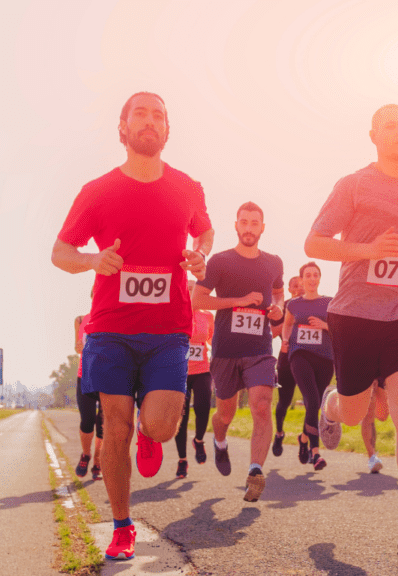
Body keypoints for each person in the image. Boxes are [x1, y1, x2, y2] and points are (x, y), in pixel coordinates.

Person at [52, 91, 213, 561]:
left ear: (167, 130)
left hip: (168, 329)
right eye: (139, 114)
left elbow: (203, 229)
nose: (149, 121)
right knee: (114, 430)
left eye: (158, 114)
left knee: (160, 427)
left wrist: (199, 252)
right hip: (111, 330)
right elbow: (60, 252)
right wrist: (92, 260)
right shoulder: (97, 190)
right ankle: (122, 527)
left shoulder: (186, 186)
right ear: (122, 129)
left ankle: (152, 431)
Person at [305, 104, 398, 552]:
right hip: (354, 314)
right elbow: (315, 242)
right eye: (391, 125)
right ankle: (329, 410)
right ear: (373, 135)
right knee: (354, 412)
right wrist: (368, 250)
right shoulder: (353, 185)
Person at [193, 202, 284, 502]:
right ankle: (219, 440)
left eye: (254, 223)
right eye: (244, 222)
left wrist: (277, 309)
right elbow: (197, 300)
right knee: (226, 413)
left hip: (259, 348)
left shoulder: (273, 263)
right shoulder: (220, 261)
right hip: (226, 350)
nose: (249, 228)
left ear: (262, 228)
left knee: (261, 404)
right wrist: (239, 300)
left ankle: (255, 471)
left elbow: (279, 292)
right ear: (236, 225)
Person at [280, 262, 334, 471]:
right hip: (299, 354)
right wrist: (285, 340)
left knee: (315, 405)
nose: (311, 279)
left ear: (319, 278)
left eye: (315, 275)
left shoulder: (329, 303)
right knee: (311, 400)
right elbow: (287, 324)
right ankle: (315, 452)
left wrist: (325, 326)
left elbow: (340, 328)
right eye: (307, 275)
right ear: (302, 280)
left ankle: (303, 438)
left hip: (324, 357)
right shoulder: (293, 304)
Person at [173, 280, 214, 478]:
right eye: (186, 289)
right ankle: (182, 460)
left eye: (193, 289)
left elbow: (213, 341)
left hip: (203, 369)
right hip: (179, 371)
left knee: (203, 406)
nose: (190, 292)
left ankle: (198, 440)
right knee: (181, 416)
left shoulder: (207, 316)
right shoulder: (174, 312)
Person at [271, 275, 303, 457]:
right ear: (290, 289)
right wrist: (289, 321)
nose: (299, 288)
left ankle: (307, 439)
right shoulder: (283, 307)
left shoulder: (313, 305)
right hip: (287, 357)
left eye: (302, 285)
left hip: (308, 358)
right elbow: (273, 332)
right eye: (295, 286)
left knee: (312, 399)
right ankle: (279, 433)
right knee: (284, 401)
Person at [74, 308, 103, 481]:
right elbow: (78, 346)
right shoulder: (80, 319)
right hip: (85, 375)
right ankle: (86, 454)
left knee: (103, 422)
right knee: (87, 420)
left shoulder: (114, 317)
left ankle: (98, 462)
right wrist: (79, 347)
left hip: (108, 376)